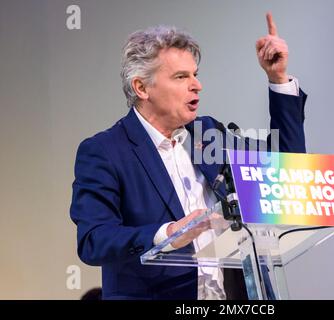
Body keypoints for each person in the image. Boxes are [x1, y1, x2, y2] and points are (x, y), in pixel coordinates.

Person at [70, 12, 308, 300]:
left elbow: (287, 172)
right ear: (141, 87)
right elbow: (94, 240)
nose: (197, 85)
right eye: (181, 76)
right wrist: (167, 233)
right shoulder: (105, 151)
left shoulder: (207, 133)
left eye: (195, 74)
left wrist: (278, 79)